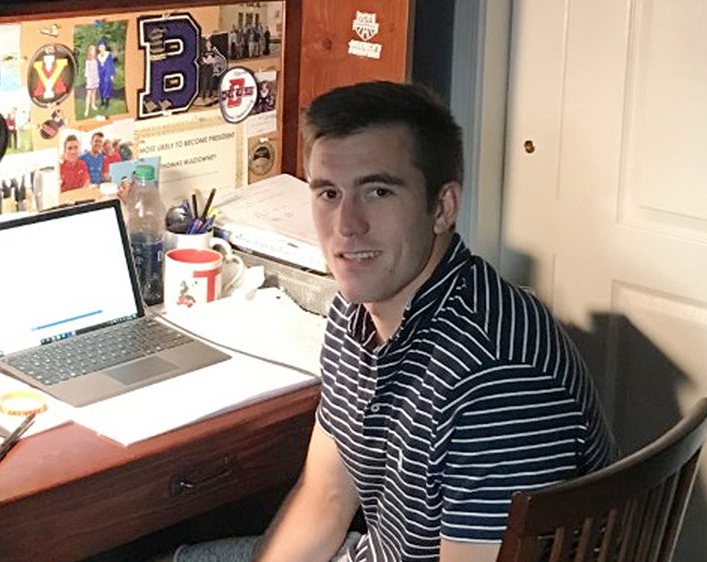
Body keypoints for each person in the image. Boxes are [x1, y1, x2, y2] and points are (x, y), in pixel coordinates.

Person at [173, 81, 616, 562]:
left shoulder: (495, 377)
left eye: (378, 191)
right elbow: (326, 498)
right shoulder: (356, 308)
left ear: (442, 207)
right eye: (328, 193)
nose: (346, 226)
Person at [96, 40, 116, 109]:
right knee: (101, 88)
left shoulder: (108, 55)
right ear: (98, 48)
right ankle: (102, 103)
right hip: (100, 74)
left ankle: (107, 104)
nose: (101, 48)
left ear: (105, 47)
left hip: (107, 74)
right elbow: (97, 66)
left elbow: (111, 64)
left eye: (102, 46)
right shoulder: (98, 56)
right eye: (100, 47)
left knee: (107, 88)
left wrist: (112, 74)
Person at [83, 44, 100, 116]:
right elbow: (87, 71)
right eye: (92, 50)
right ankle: (86, 109)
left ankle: (93, 105)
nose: (93, 52)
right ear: (89, 52)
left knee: (94, 93)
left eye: (94, 50)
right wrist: (88, 79)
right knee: (89, 94)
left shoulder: (96, 60)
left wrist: (98, 78)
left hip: (95, 78)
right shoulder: (88, 61)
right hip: (90, 79)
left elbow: (97, 70)